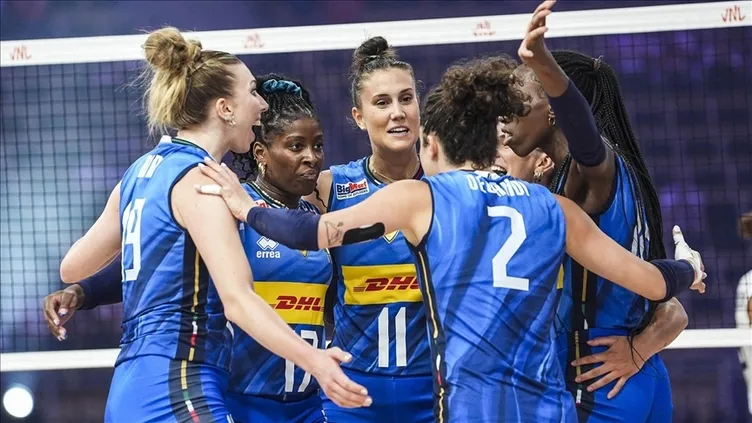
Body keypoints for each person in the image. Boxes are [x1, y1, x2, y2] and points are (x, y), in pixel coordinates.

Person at [193, 54, 706, 423]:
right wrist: (689, 267)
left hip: (466, 402)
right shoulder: (553, 205)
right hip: (548, 403)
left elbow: (313, 231)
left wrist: (245, 205)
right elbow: (654, 284)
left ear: (432, 143)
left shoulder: (423, 198)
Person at [55, 27, 368, 422]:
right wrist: (315, 360)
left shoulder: (139, 173)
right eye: (252, 93)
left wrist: (82, 291)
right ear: (225, 108)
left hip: (130, 383)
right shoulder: (203, 181)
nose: (262, 106)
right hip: (178, 382)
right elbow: (237, 301)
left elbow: (73, 267)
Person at [499, 1, 689, 420]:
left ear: (553, 108)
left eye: (518, 100)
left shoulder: (592, 169)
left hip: (596, 371)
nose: (504, 116)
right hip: (637, 366)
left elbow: (585, 137)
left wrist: (540, 61)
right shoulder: (589, 176)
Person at [302, 36, 433, 422]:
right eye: (382, 103)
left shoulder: (448, 187)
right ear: (359, 117)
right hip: (351, 393)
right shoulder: (330, 188)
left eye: (406, 99)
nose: (398, 113)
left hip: (435, 391)